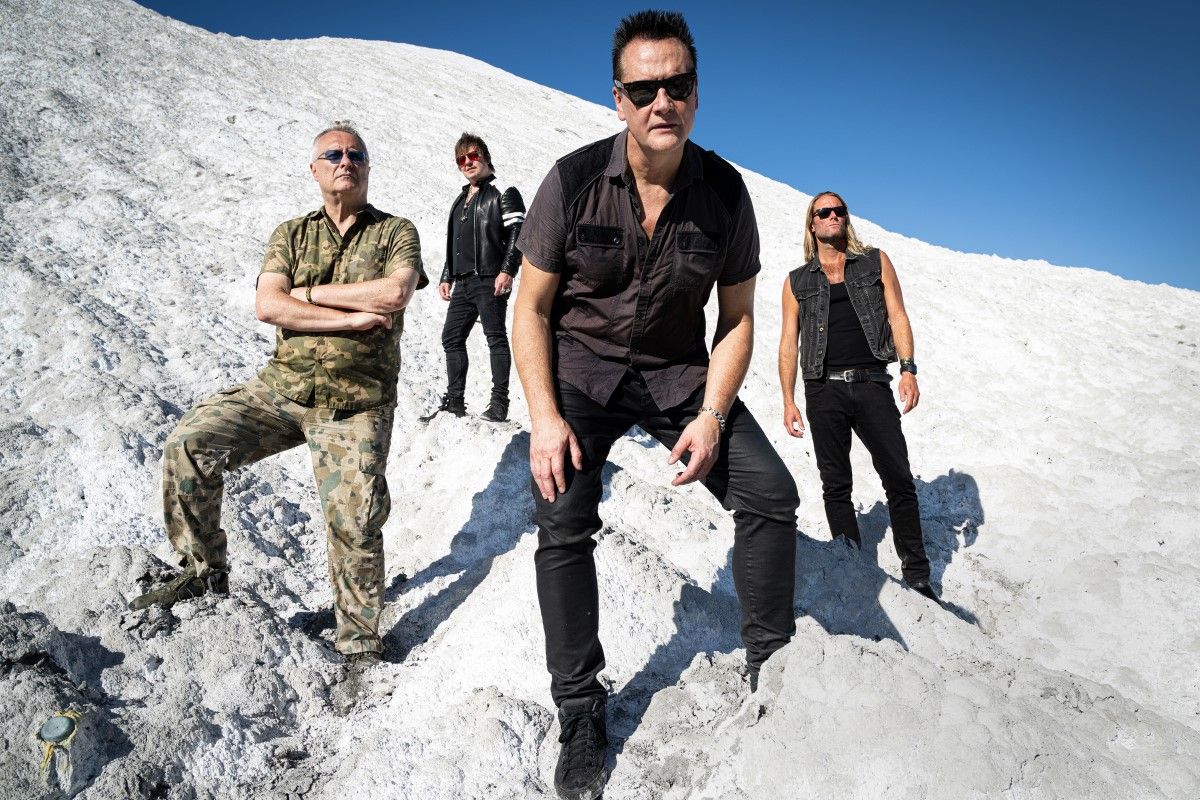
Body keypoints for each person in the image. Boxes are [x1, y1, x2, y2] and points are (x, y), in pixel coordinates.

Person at [513, 12, 799, 799]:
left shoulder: (725, 193)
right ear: (619, 99)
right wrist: (544, 418)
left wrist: (712, 416)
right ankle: (580, 710)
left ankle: (772, 669)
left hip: (678, 375)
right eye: (644, 89)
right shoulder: (572, 181)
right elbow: (529, 308)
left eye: (677, 85)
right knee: (562, 513)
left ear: (697, 94)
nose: (661, 101)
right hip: (582, 373)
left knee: (770, 493)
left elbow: (736, 320)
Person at [129, 122, 428, 666]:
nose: (345, 161)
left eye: (356, 154)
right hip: (281, 389)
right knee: (190, 444)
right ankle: (203, 574)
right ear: (314, 169)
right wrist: (349, 317)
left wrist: (307, 295)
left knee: (355, 520)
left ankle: (359, 642)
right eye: (333, 154)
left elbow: (394, 292)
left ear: (367, 166)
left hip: (355, 403)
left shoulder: (394, 232)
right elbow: (269, 305)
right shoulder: (290, 234)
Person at [777, 191, 936, 601]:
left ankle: (917, 575)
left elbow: (898, 314)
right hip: (822, 389)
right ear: (812, 223)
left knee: (898, 478)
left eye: (839, 211)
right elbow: (788, 343)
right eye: (824, 212)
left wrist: (908, 368)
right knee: (835, 485)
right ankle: (855, 573)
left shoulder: (875, 262)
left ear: (846, 218)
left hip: (871, 383)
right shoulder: (796, 281)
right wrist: (788, 400)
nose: (833, 216)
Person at [425, 133, 525, 422]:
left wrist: (507, 270)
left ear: (485, 157)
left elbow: (518, 233)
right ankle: (455, 402)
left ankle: (499, 403)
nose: (467, 162)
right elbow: (457, 243)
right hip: (464, 281)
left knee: (495, 336)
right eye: (461, 159)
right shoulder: (460, 200)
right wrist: (447, 276)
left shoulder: (503, 193)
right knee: (451, 337)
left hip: (490, 277)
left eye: (473, 156)